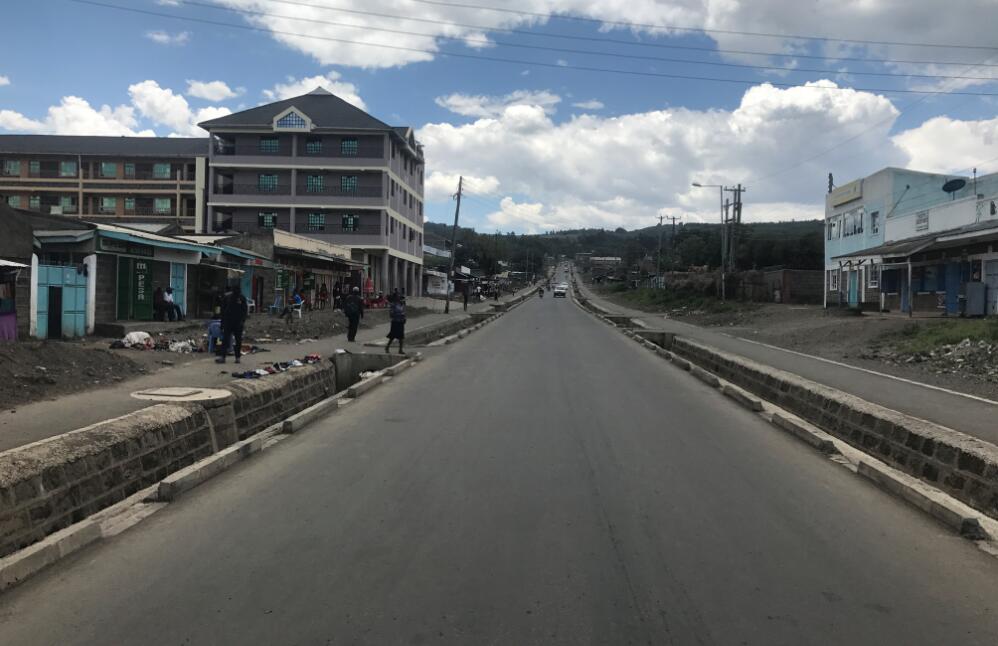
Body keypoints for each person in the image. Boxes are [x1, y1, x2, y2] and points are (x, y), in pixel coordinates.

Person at [215, 285, 248, 364]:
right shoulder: (227, 298)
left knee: (237, 340)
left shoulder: (241, 298)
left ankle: (236, 357)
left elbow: (244, 310)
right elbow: (223, 311)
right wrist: (222, 323)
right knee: (227, 340)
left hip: (237, 322)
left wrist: (242, 321)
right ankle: (224, 357)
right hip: (229, 322)